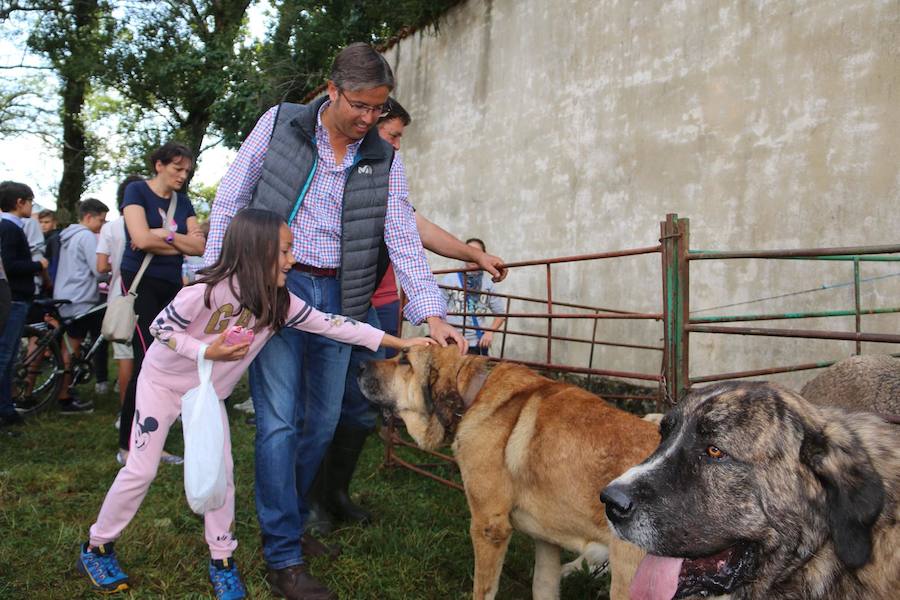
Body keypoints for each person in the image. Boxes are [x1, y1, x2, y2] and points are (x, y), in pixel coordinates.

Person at [204, 43, 466, 599]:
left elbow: (399, 233)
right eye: (361, 107)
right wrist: (216, 273)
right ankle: (282, 558)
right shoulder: (280, 124)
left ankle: (291, 526)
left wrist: (431, 310)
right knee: (278, 420)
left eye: (379, 109)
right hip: (276, 284)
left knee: (320, 422)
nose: (370, 119)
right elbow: (232, 193)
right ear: (332, 90)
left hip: (340, 294)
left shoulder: (384, 158)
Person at [75, 209, 434, 598]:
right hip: (161, 385)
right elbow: (161, 328)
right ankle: (97, 546)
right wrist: (205, 350)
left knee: (220, 477)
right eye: (284, 251)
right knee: (140, 471)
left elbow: (335, 324)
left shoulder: (280, 304)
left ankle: (223, 560)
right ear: (255, 251)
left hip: (208, 395)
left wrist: (401, 343)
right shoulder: (204, 290)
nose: (291, 260)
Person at [306, 97, 509, 535]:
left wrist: (474, 255)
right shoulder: (340, 178)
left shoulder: (385, 183)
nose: (397, 146)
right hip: (334, 304)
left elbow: (421, 231)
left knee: (361, 407)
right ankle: (311, 503)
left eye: (400, 137)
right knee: (325, 405)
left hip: (378, 306)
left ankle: (336, 494)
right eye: (392, 135)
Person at [118, 142, 205, 466]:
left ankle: (154, 440)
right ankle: (129, 444)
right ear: (159, 165)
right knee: (147, 362)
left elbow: (198, 247)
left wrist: (165, 236)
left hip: (173, 286)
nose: (183, 175)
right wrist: (177, 240)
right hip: (142, 284)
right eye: (177, 168)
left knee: (169, 361)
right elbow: (139, 238)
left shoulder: (183, 202)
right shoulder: (137, 191)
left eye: (186, 171)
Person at [52, 198, 109, 412]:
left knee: (70, 345)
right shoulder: (86, 236)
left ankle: (65, 389)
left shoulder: (68, 235)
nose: (103, 226)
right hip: (80, 298)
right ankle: (64, 396)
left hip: (67, 293)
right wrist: (112, 271)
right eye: (101, 221)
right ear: (88, 217)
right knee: (73, 348)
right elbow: (98, 270)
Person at [0, 181, 47, 428]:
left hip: (14, 297)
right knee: (5, 356)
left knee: (7, 359)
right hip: (14, 298)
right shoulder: (10, 227)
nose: (31, 206)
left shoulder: (9, 226)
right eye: (30, 201)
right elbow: (8, 264)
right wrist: (38, 266)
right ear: (20, 203)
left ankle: (7, 410)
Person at [97, 175, 143, 427]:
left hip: (119, 296)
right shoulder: (147, 225)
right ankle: (146, 412)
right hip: (147, 296)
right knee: (146, 359)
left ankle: (125, 415)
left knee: (124, 358)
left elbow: (101, 265)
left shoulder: (110, 227)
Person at [440, 238, 507, 355]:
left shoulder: (488, 284)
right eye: (469, 251)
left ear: (483, 255)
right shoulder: (450, 279)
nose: (472, 256)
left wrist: (489, 333)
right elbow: (438, 309)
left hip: (475, 344)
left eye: (476, 252)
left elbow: (500, 314)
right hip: (451, 343)